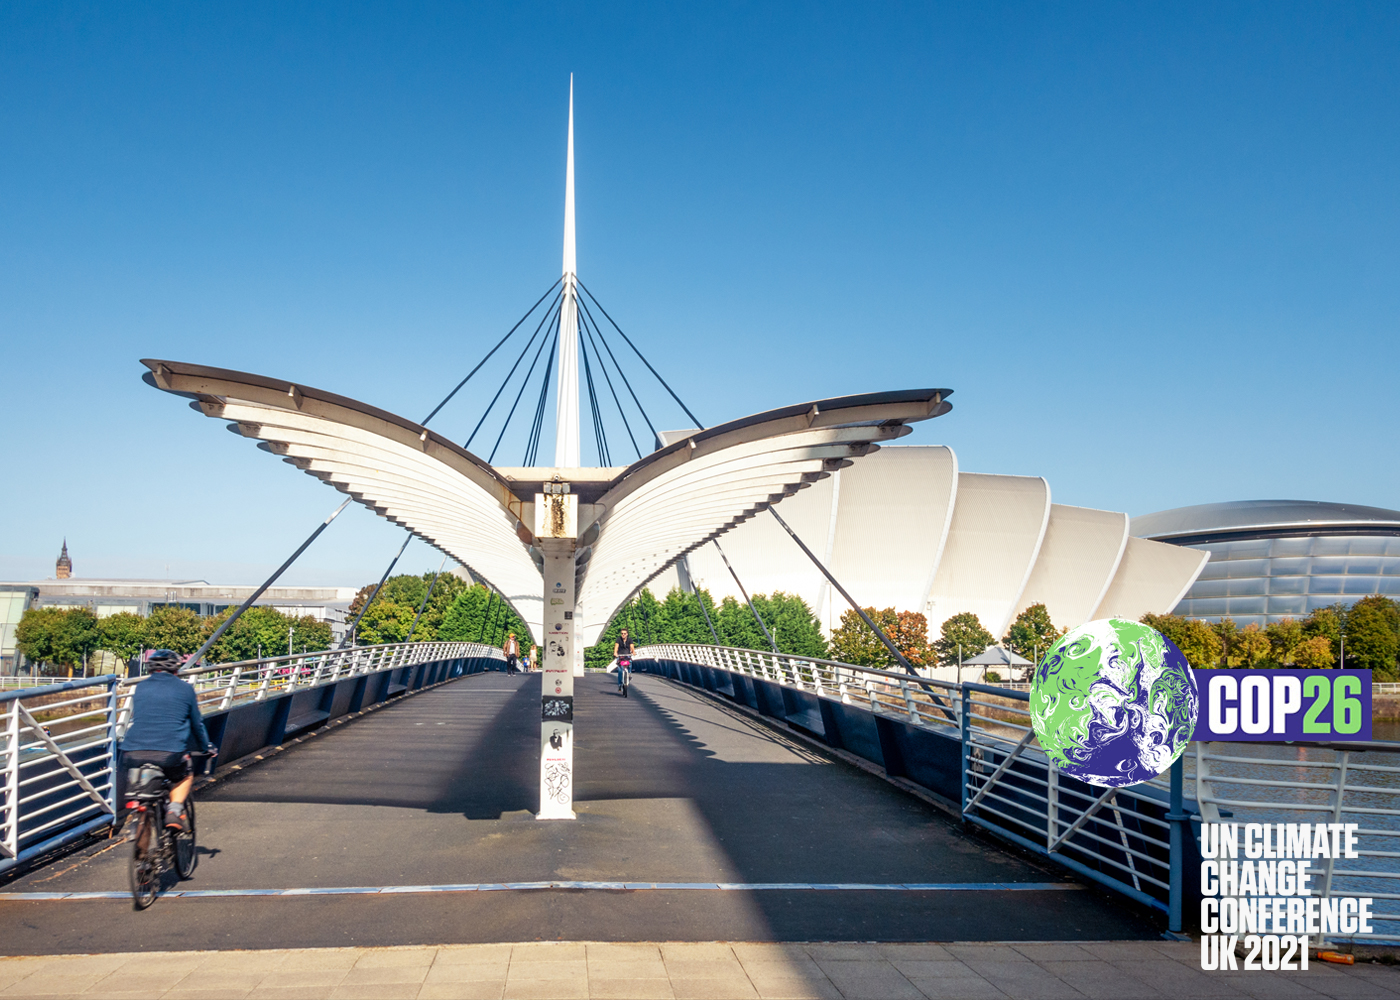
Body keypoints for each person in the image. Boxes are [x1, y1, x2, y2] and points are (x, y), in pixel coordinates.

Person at [120, 649, 216, 833]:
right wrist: (206, 746)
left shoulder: (140, 688)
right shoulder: (185, 689)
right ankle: (174, 810)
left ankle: (140, 821)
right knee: (184, 774)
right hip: (169, 753)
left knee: (141, 789)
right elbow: (197, 724)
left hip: (131, 752)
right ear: (176, 668)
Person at [613, 628, 635, 696]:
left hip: (627, 655)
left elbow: (632, 647)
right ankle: (620, 684)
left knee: (630, 662)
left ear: (627, 634)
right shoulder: (618, 639)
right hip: (621, 656)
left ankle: (629, 674)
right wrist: (615, 653)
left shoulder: (629, 640)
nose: (623, 635)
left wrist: (633, 652)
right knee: (620, 670)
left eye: (624, 633)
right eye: (622, 633)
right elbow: (616, 647)